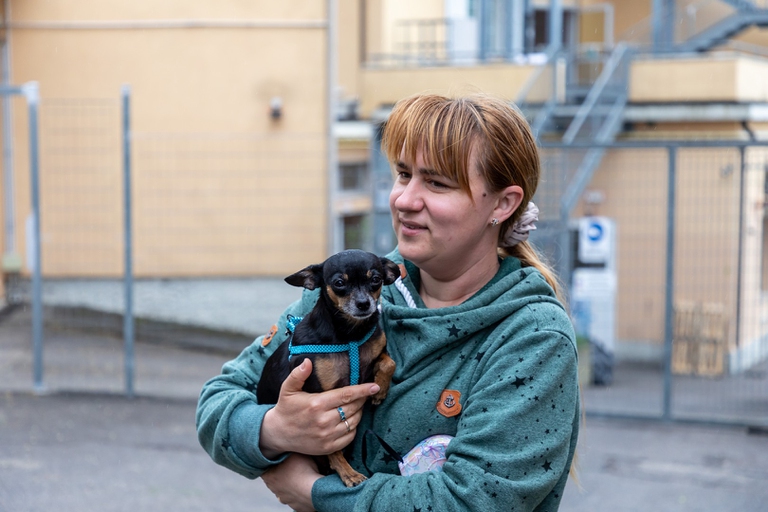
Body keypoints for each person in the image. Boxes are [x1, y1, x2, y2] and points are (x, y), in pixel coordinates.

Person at [196, 92, 580, 511]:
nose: (404, 199)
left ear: (503, 204)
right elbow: (220, 400)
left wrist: (314, 493)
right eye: (402, 174)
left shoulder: (532, 338)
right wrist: (274, 428)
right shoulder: (341, 294)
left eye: (436, 183)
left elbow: (472, 500)